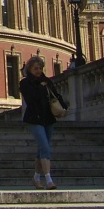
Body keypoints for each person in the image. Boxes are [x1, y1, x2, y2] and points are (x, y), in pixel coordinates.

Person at [19, 55, 66, 190]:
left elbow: (56, 95)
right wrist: (40, 87)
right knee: (45, 148)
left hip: (48, 118)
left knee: (41, 150)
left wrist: (63, 107)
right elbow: (31, 98)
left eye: (40, 68)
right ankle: (49, 180)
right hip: (34, 119)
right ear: (29, 69)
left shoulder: (47, 81)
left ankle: (36, 178)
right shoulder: (25, 83)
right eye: (35, 69)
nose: (38, 71)